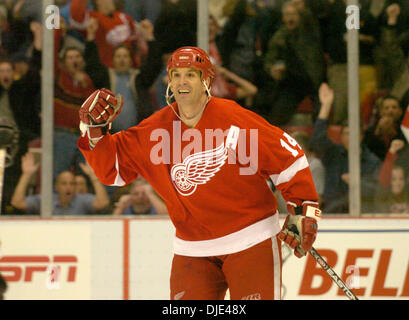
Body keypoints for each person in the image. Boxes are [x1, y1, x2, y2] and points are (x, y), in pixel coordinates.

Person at [77, 46, 321, 300]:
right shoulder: (154, 131)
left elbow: (288, 156)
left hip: (251, 240)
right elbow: (112, 170)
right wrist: (94, 131)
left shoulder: (235, 120)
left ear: (205, 80)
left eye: (191, 75)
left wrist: (303, 210)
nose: (183, 81)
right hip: (193, 249)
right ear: (169, 82)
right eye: (176, 75)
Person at [311, 83, 381, 213]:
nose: (351, 137)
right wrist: (326, 106)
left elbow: (379, 189)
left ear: (361, 136)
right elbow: (317, 140)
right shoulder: (333, 153)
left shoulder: (372, 161)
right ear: (341, 136)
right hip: (332, 214)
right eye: (347, 133)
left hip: (362, 214)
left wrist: (358, 183)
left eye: (354, 133)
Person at [10, 153, 110, 215]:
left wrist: (93, 176)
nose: (68, 187)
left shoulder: (82, 200)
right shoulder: (45, 201)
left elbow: (103, 203)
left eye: (72, 183)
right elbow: (17, 203)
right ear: (56, 187)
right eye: (64, 183)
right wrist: (26, 175)